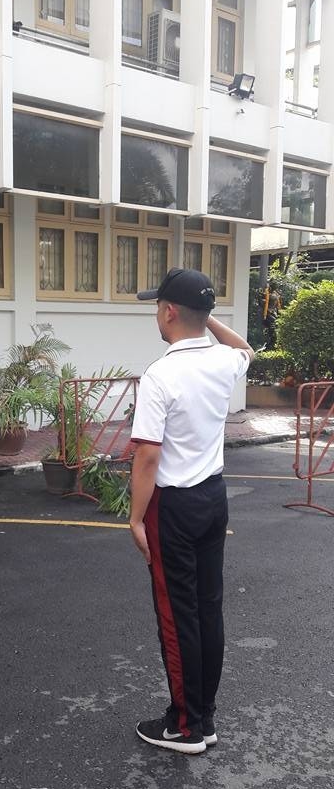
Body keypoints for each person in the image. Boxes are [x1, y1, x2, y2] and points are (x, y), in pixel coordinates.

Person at [129, 268, 254, 754]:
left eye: (158, 307)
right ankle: (204, 715)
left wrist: (135, 518)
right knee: (207, 609)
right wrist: (206, 318)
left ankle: (185, 727)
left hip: (175, 506)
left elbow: (148, 455)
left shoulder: (161, 374)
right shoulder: (223, 361)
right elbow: (246, 349)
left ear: (168, 312)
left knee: (177, 614)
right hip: (212, 498)